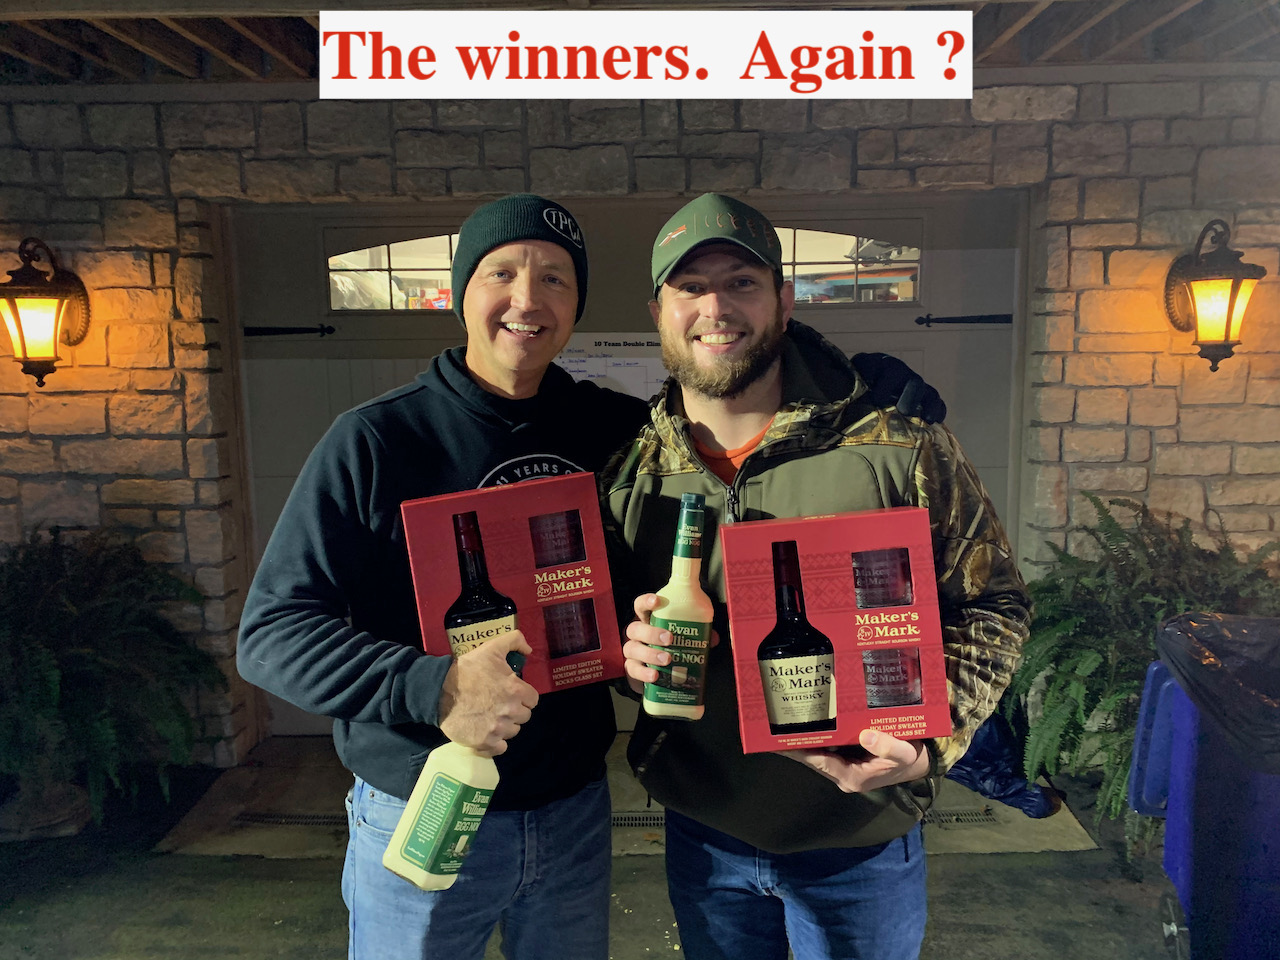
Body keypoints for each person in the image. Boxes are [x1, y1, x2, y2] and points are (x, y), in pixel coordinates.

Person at [237, 192, 943, 960]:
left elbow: (730, 385)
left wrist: (855, 382)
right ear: (461, 292)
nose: (527, 300)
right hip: (427, 802)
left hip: (571, 812)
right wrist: (433, 686)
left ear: (575, 306)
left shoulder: (612, 430)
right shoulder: (376, 440)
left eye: (555, 279)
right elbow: (272, 635)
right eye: (501, 273)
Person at [602, 193, 1032, 960]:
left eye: (740, 283)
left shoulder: (896, 443)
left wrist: (933, 739)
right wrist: (629, 661)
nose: (715, 308)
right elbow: (615, 634)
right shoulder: (634, 471)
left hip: (861, 840)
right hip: (704, 835)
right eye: (690, 287)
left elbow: (991, 603)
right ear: (659, 311)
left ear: (784, 299)